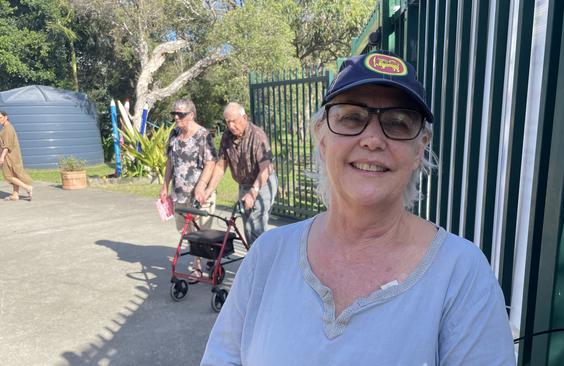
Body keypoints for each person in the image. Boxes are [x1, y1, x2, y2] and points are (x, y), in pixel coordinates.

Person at [201, 51, 515, 365]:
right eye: (352, 117)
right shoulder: (267, 257)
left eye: (398, 122)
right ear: (321, 137)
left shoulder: (462, 276)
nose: (373, 139)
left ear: (420, 148)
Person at [203, 102, 277, 245]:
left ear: (244, 117)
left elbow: (265, 168)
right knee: (247, 227)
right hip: (244, 184)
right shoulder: (226, 136)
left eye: (234, 121)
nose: (231, 126)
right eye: (227, 122)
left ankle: (263, 263)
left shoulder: (257, 135)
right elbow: (220, 166)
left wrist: (253, 193)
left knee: (256, 226)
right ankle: (254, 260)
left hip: (263, 183)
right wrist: (208, 190)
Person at [160, 99, 217, 282]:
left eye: (181, 114)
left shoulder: (203, 135)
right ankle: (206, 259)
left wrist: (201, 186)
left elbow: (211, 163)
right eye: (174, 114)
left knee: (200, 231)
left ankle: (197, 266)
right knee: (184, 230)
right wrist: (164, 186)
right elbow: (170, 161)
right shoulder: (175, 134)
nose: (176, 117)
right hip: (179, 193)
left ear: (191, 115)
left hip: (199, 195)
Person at [0, 111, 33, 201]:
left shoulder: (8, 129)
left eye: (0, 117)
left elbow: (7, 146)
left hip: (9, 156)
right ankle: (15, 194)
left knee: (8, 176)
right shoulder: (5, 128)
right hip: (11, 155)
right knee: (14, 174)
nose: (0, 120)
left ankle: (27, 187)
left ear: (6, 117)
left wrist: (2, 157)